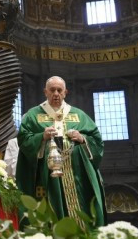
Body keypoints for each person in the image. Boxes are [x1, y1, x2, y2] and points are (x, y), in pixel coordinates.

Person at [16, 76, 106, 227]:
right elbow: (24, 139)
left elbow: (96, 140)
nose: (56, 94)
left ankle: (83, 235)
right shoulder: (33, 115)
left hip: (77, 174)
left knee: (83, 209)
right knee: (52, 211)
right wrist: (41, 137)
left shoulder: (79, 115)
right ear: (45, 92)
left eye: (59, 90)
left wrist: (82, 138)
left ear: (65, 92)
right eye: (52, 90)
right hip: (47, 177)